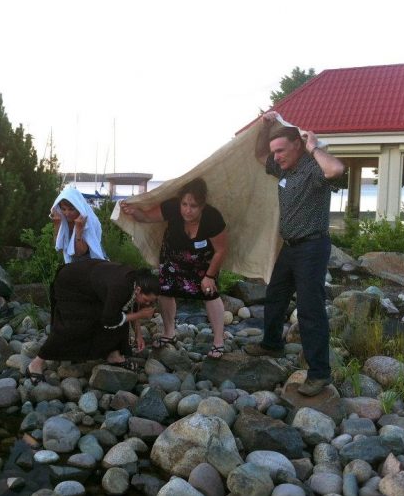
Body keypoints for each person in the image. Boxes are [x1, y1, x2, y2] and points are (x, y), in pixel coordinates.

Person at [245, 111, 345, 396]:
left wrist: (315, 146)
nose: (275, 156)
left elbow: (336, 170)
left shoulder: (313, 169)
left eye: (281, 150)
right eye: (275, 151)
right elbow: (259, 153)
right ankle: (272, 344)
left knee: (311, 309)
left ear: (298, 146)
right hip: (290, 248)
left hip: (313, 247)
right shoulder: (283, 169)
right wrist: (265, 127)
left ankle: (319, 374)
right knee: (275, 295)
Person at [120, 178, 228, 359]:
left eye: (193, 206)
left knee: (210, 292)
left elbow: (221, 250)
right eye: (184, 204)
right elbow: (146, 217)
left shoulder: (212, 217)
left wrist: (209, 276)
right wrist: (133, 211)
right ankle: (169, 333)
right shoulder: (172, 207)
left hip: (202, 261)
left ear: (202, 205)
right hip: (172, 256)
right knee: (166, 290)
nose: (187, 209)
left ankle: (218, 341)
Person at [26, 259, 159, 383]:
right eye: (147, 300)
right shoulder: (120, 287)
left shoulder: (135, 282)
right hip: (71, 283)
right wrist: (139, 315)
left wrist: (138, 334)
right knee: (73, 324)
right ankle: (36, 363)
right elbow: (110, 320)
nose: (147, 304)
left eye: (151, 302)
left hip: (92, 284)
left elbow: (130, 306)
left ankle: (113, 354)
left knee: (114, 311)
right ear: (139, 290)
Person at [50, 187, 106, 263]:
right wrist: (56, 226)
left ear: (78, 208)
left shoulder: (87, 222)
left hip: (91, 264)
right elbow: (59, 249)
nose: (67, 213)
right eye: (63, 209)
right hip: (74, 265)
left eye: (71, 209)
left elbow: (80, 253)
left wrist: (78, 231)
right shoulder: (63, 222)